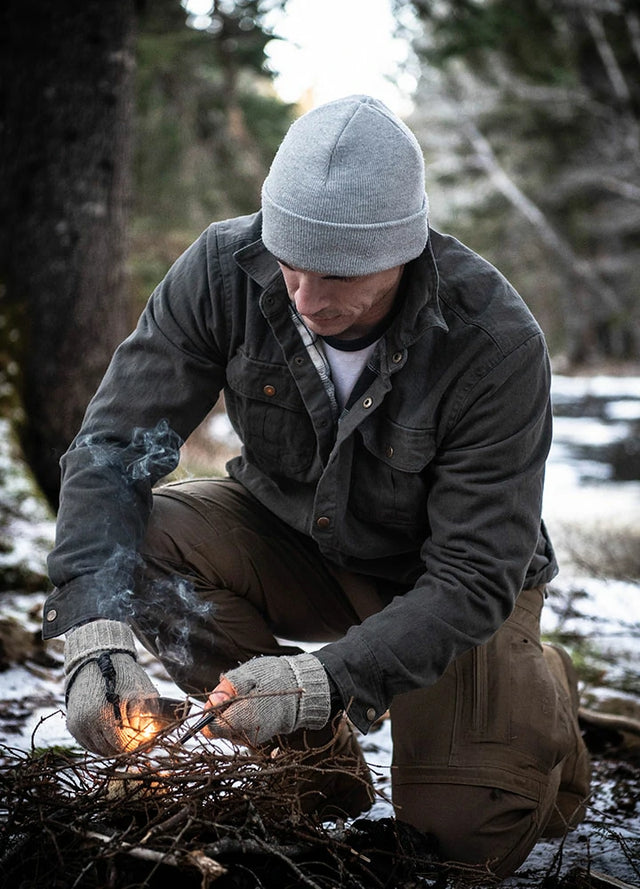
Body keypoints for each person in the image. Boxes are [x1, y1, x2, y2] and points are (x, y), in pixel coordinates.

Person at [44, 95, 590, 878]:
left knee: (461, 840)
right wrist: (95, 628)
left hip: (450, 587)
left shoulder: (494, 340)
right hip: (295, 538)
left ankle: (536, 702)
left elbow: (474, 573)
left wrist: (320, 678)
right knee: (147, 539)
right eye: (288, 261)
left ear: (402, 250)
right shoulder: (222, 268)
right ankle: (312, 764)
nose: (302, 297)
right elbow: (112, 450)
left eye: (336, 274)